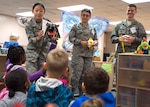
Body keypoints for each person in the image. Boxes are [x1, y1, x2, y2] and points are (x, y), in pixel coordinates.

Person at [111, 4, 147, 75]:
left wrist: (134, 39)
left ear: (135, 12)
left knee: (133, 75)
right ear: (126, 11)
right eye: (128, 10)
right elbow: (112, 38)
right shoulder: (119, 25)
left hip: (133, 55)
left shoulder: (139, 26)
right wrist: (119, 39)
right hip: (120, 54)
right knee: (118, 74)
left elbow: (144, 41)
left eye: (132, 10)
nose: (130, 12)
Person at [69, 8, 98, 95]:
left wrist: (95, 42)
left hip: (88, 55)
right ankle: (71, 95)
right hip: (78, 54)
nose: (85, 17)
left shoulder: (92, 28)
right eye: (83, 15)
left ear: (90, 17)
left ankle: (82, 95)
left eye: (87, 15)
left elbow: (96, 39)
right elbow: (71, 38)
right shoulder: (75, 27)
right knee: (76, 76)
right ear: (81, 16)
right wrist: (80, 42)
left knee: (85, 76)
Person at [25, 3, 58, 73]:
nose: (38, 13)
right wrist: (38, 37)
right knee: (32, 75)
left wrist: (53, 38)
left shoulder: (48, 23)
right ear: (33, 11)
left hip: (44, 53)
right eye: (36, 10)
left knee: (42, 74)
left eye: (41, 11)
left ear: (44, 12)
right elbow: (30, 39)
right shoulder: (29, 24)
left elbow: (50, 37)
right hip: (32, 53)